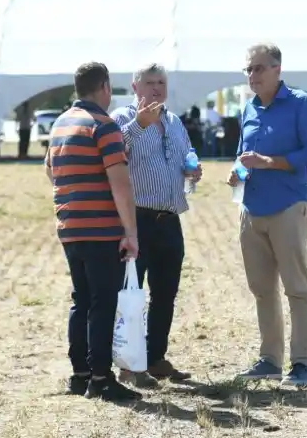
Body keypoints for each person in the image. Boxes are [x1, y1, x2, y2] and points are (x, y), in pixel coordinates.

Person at [44, 61, 141, 402]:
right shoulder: (104, 125)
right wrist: (131, 232)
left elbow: (50, 171)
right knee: (103, 301)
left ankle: (80, 373)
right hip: (101, 229)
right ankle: (101, 377)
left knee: (81, 299)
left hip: (70, 227)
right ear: (104, 87)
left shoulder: (60, 124)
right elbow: (121, 184)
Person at [228, 43, 307, 387]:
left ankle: (302, 364)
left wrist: (270, 163)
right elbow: (243, 154)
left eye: (259, 68)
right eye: (248, 69)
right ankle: (270, 359)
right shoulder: (248, 109)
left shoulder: (301, 104)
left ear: (277, 70)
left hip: (288, 206)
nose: (252, 75)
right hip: (251, 209)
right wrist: (238, 172)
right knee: (262, 290)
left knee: (297, 289)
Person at [110, 63, 201, 387]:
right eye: (150, 82)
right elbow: (112, 152)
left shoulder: (174, 121)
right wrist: (139, 125)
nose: (157, 88)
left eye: (161, 82)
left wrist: (192, 169)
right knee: (131, 295)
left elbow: (187, 154)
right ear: (135, 87)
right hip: (136, 220)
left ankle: (155, 357)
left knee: (165, 293)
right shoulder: (122, 118)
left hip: (169, 219)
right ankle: (128, 365)